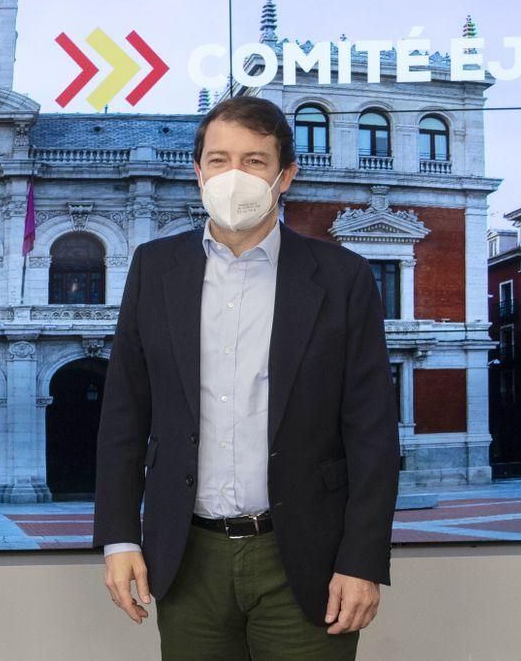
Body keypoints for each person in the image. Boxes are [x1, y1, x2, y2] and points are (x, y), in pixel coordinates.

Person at [93, 95, 400, 659]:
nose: (234, 176)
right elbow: (123, 415)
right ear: (197, 171)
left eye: (255, 162)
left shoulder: (343, 278)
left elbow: (373, 434)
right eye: (219, 159)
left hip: (307, 557)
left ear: (285, 176)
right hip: (187, 557)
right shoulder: (154, 269)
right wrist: (118, 537)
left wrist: (361, 561)